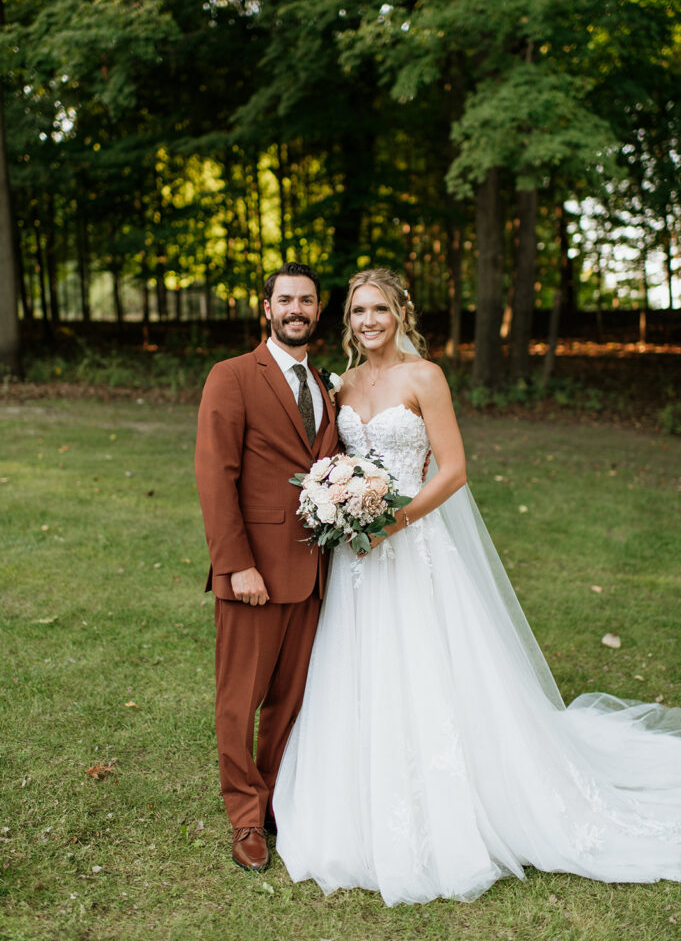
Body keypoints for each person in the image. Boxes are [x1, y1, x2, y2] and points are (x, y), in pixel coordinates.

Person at [273, 267, 681, 906]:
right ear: (346, 319)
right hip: (358, 559)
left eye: (379, 309)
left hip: (414, 548)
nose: (368, 321)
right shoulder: (342, 382)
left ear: (400, 314)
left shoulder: (424, 377)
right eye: (357, 312)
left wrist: (393, 519)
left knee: (436, 669)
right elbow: (333, 461)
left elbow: (455, 469)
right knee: (362, 670)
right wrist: (340, 501)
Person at [195, 262, 339, 872]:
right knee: (240, 699)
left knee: (290, 698)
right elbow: (215, 475)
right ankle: (245, 818)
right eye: (286, 300)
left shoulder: (328, 385)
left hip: (313, 570)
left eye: (306, 301)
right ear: (267, 309)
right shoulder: (231, 377)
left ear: (316, 310)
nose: (296, 310)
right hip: (253, 572)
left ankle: (276, 796)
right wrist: (235, 565)